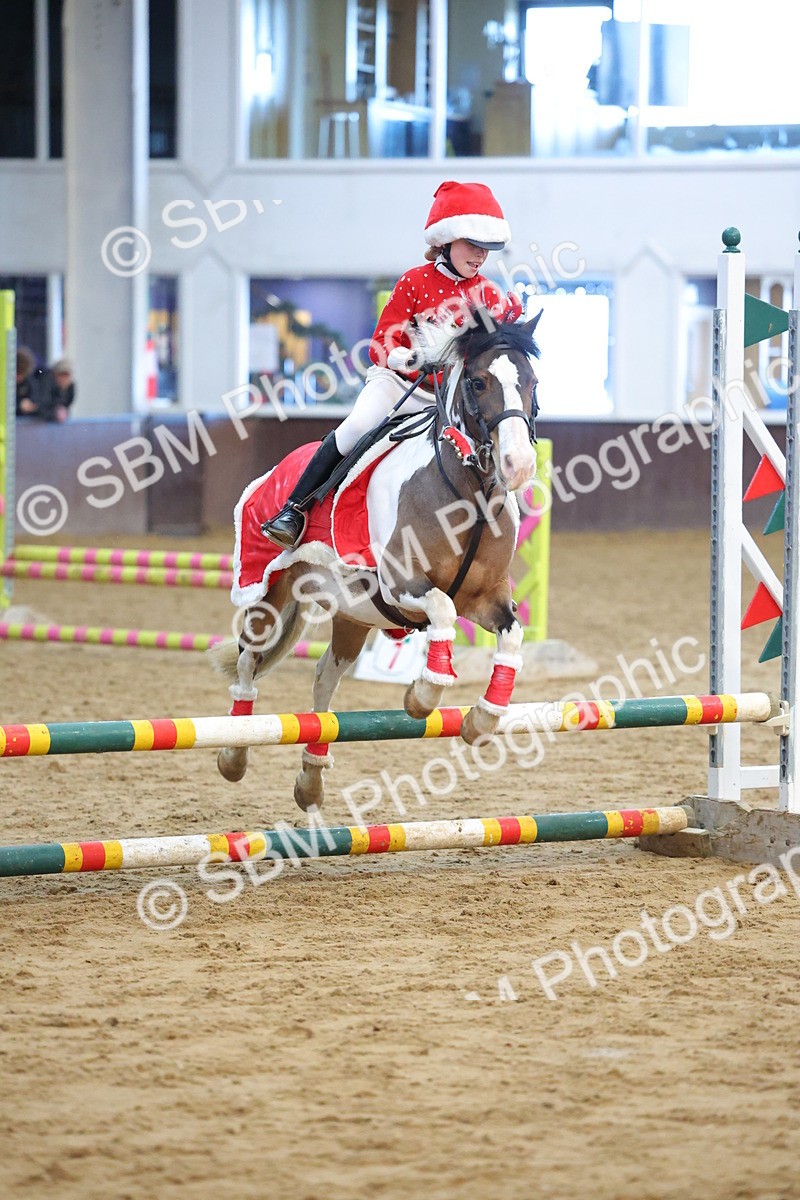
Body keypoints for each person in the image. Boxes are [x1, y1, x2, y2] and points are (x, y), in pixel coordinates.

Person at [262, 180, 522, 550]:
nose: (481, 256)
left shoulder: (490, 294)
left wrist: (509, 324)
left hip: (450, 397)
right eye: (472, 245)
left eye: (487, 249)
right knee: (357, 427)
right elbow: (381, 343)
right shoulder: (414, 281)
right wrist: (406, 358)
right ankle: (293, 510)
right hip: (398, 384)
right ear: (446, 241)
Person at [48, 358, 76, 423]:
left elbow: (68, 404)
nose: (64, 378)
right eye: (61, 375)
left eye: (66, 375)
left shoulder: (70, 388)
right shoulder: (48, 387)